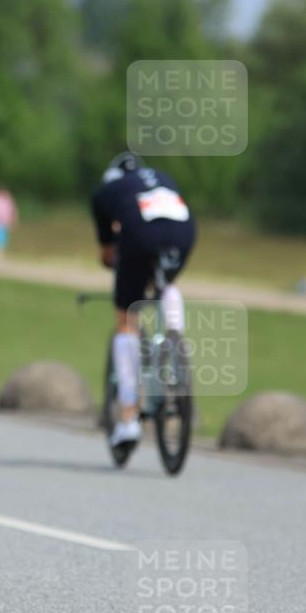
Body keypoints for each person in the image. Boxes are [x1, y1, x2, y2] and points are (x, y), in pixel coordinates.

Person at [90, 151, 195, 448]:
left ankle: (128, 417)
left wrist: (122, 273)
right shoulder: (162, 177)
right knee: (165, 282)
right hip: (184, 230)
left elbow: (108, 254)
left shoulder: (105, 193)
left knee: (126, 319)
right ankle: (175, 340)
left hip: (139, 233)